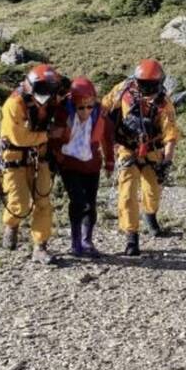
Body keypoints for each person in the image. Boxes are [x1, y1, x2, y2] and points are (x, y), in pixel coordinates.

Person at [102, 59, 181, 256]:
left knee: (152, 191)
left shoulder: (164, 104)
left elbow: (170, 136)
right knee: (127, 194)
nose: (147, 88)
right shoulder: (123, 90)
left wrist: (166, 162)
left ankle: (150, 214)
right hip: (127, 149)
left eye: (151, 84)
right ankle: (131, 237)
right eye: (143, 83)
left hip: (153, 151)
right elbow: (104, 107)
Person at [0, 63, 63, 264]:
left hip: (40, 157)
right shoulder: (14, 104)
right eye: (42, 90)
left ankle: (40, 246)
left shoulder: (53, 100)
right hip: (14, 158)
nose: (46, 94)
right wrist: (48, 134)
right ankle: (11, 225)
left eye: (50, 90)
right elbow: (19, 137)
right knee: (19, 202)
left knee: (43, 201)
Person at [50, 77, 114, 257]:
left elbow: (107, 139)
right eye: (81, 107)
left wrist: (110, 162)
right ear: (73, 103)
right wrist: (57, 158)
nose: (86, 111)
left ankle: (87, 241)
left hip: (91, 165)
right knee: (78, 202)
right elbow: (53, 139)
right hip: (69, 164)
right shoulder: (63, 112)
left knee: (91, 204)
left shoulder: (100, 114)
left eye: (89, 106)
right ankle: (75, 242)